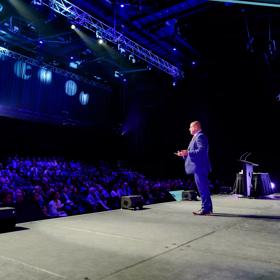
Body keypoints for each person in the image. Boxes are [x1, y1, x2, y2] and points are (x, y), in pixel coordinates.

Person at [175, 121, 213, 215]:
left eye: (190, 127)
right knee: (203, 189)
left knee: (202, 189)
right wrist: (184, 154)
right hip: (199, 167)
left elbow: (201, 151)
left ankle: (205, 209)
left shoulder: (200, 136)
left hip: (200, 167)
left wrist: (187, 153)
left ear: (196, 127)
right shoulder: (196, 137)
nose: (189, 129)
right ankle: (208, 208)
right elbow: (194, 152)